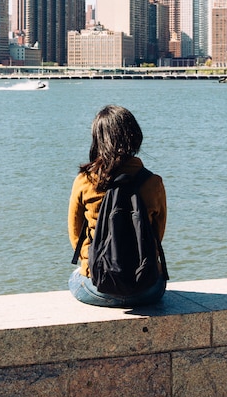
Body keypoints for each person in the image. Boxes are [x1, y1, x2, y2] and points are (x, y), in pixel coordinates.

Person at [68, 105, 168, 307]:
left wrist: (89, 265)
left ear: (98, 138)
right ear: (135, 135)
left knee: (75, 277)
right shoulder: (153, 182)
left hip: (98, 287)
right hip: (146, 289)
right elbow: (157, 234)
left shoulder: (85, 180)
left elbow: (76, 234)